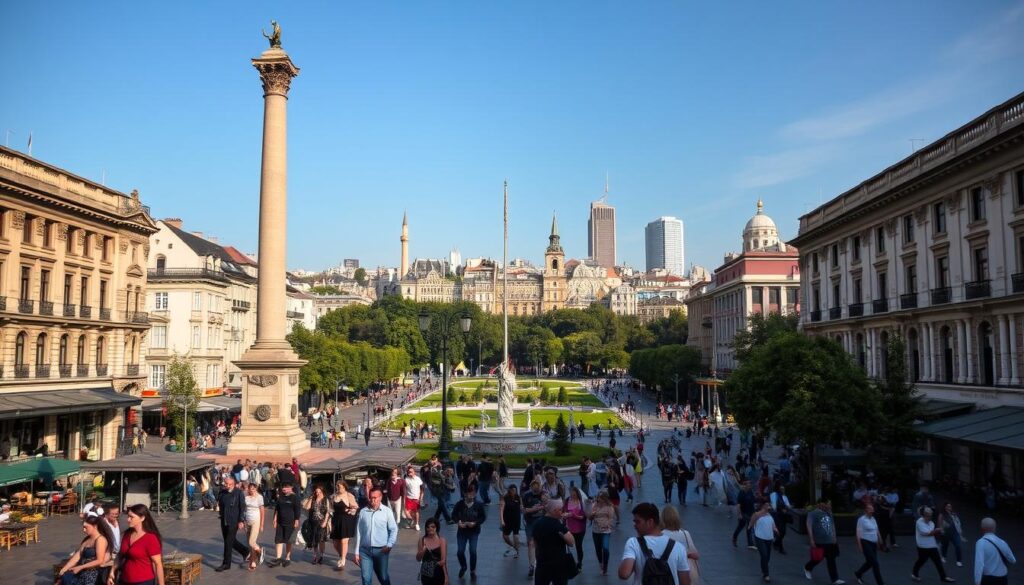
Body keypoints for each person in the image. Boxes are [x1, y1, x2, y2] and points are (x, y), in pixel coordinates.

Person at [618, 502, 691, 585]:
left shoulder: (633, 543)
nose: (634, 525)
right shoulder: (678, 547)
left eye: (637, 522)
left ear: (650, 522)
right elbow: (685, 582)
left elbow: (624, 574)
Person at [109, 504, 164, 585]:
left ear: (142, 518)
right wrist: (112, 570)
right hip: (124, 579)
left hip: (143, 581)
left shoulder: (150, 538)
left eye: (131, 517)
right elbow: (120, 555)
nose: (128, 519)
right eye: (128, 516)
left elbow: (158, 564)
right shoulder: (127, 534)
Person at [354, 487, 398, 585]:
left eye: (375, 497)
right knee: (366, 578)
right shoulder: (363, 512)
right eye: (370, 497)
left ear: (380, 497)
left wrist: (389, 545)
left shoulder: (387, 511)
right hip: (365, 551)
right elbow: (359, 532)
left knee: (383, 577)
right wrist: (356, 551)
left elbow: (393, 529)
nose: (372, 500)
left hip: (381, 551)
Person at [57, 516, 115, 585]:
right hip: (82, 572)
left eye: (86, 527)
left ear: (95, 526)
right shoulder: (87, 540)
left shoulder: (100, 540)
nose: (84, 530)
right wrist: (64, 569)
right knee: (65, 576)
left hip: (92, 575)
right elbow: (78, 555)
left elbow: (100, 560)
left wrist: (80, 567)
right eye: (83, 527)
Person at [534, 498, 576, 585]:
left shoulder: (537, 524)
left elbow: (535, 543)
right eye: (560, 509)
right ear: (554, 510)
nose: (562, 512)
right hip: (558, 564)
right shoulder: (558, 526)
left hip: (542, 562)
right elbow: (571, 542)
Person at [804, 498, 843, 585]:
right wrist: (811, 539)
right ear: (822, 504)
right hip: (819, 540)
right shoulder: (813, 513)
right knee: (817, 558)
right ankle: (807, 568)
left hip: (830, 541)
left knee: (831, 559)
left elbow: (832, 525)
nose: (830, 506)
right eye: (829, 504)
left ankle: (835, 579)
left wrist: (834, 536)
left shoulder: (829, 513)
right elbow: (809, 525)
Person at [216, 475, 251, 572]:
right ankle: (245, 551)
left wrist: (241, 520)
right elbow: (220, 504)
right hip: (224, 520)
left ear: (234, 484)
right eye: (226, 484)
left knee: (228, 542)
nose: (227, 486)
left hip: (234, 521)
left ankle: (226, 564)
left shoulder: (238, 493)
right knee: (230, 541)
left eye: (229, 484)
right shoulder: (222, 492)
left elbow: (242, 507)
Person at [661, 504, 701, 585]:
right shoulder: (685, 533)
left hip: (667, 573)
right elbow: (696, 555)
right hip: (684, 572)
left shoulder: (660, 535)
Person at [452, 486, 487, 578]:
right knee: (460, 551)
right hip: (462, 531)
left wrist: (475, 523)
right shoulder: (460, 504)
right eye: (469, 493)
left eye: (473, 493)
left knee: (473, 551)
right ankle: (463, 566)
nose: (471, 495)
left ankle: (472, 570)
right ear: (465, 494)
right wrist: (458, 522)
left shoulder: (478, 505)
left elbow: (483, 517)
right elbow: (454, 515)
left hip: (474, 531)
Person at [912, 507, 953, 583]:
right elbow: (928, 533)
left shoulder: (931, 523)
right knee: (921, 561)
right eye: (929, 515)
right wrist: (937, 530)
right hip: (922, 546)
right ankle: (914, 574)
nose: (930, 517)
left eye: (931, 515)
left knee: (938, 561)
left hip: (932, 545)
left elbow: (931, 532)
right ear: (924, 515)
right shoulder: (919, 522)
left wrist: (940, 529)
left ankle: (943, 577)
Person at [267, 483, 303, 567]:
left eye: (286, 487)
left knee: (288, 540)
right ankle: (278, 558)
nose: (284, 488)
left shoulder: (295, 497)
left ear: (291, 488)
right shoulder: (281, 497)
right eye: (283, 486)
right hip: (280, 522)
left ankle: (287, 558)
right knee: (278, 540)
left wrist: (296, 520)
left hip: (290, 522)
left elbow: (297, 509)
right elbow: (277, 508)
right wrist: (275, 519)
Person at [974, 518, 1016, 585]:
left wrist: (977, 582)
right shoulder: (1002, 542)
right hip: (1003, 579)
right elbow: (1013, 560)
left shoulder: (981, 543)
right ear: (995, 528)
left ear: (982, 528)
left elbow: (979, 564)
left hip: (989, 579)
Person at [522, 479, 548, 579]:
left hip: (542, 521)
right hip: (530, 522)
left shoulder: (544, 494)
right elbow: (524, 510)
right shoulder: (527, 495)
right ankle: (532, 565)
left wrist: (543, 506)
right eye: (534, 488)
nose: (536, 490)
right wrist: (534, 509)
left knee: (542, 544)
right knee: (531, 543)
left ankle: (542, 563)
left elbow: (549, 506)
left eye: (537, 488)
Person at [331, 480, 359, 569]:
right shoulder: (333, 496)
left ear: (344, 487)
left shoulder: (349, 495)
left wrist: (351, 510)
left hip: (346, 520)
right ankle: (341, 555)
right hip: (336, 519)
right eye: (337, 486)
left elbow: (355, 507)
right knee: (335, 543)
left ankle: (343, 560)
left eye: (339, 486)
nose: (338, 487)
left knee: (344, 541)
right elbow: (331, 509)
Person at [854, 502, 885, 585]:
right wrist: (860, 545)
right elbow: (858, 533)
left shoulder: (873, 519)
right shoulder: (861, 519)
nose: (872, 510)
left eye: (872, 509)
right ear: (865, 510)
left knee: (869, 562)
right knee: (875, 563)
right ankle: (880, 582)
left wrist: (880, 540)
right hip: (865, 542)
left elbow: (876, 530)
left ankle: (858, 573)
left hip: (873, 544)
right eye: (870, 509)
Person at [589, 489, 617, 576]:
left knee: (605, 549)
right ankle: (601, 563)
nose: (598, 499)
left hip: (606, 531)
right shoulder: (594, 505)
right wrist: (592, 515)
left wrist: (607, 524)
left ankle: (605, 566)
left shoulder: (609, 507)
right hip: (595, 530)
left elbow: (611, 518)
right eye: (598, 497)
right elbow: (589, 518)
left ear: (605, 498)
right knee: (598, 549)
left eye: (600, 498)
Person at [750, 501, 780, 582]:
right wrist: (752, 529)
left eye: (769, 505)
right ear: (763, 506)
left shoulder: (770, 515)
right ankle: (766, 574)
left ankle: (764, 569)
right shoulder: (756, 514)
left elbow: (773, 525)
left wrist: (776, 530)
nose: (769, 506)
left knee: (767, 557)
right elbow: (751, 524)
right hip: (759, 538)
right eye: (767, 505)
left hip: (769, 538)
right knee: (764, 555)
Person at [416, 518, 449, 585]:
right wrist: (423, 551)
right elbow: (418, 559)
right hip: (426, 574)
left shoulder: (442, 540)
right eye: (428, 527)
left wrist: (446, 577)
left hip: (438, 573)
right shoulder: (422, 540)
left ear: (437, 528)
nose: (430, 529)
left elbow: (443, 561)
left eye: (433, 527)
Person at [565, 485, 588, 573]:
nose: (572, 495)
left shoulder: (581, 502)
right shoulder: (567, 501)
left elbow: (583, 517)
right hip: (569, 527)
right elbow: (563, 511)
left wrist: (573, 515)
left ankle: (579, 563)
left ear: (577, 494)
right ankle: (569, 562)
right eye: (571, 493)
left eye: (574, 493)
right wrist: (565, 515)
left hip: (580, 528)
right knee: (567, 545)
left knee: (579, 546)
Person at [243, 481, 266, 570]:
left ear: (256, 488)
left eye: (253, 488)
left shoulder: (259, 497)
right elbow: (244, 510)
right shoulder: (246, 497)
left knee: (251, 542)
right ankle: (253, 562)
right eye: (250, 488)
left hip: (256, 520)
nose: (252, 490)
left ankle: (261, 551)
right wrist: (244, 522)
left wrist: (262, 524)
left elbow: (262, 511)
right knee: (250, 545)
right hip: (247, 521)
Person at [938, 502, 965, 567]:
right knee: (945, 546)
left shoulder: (954, 514)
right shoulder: (942, 515)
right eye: (947, 506)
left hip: (955, 533)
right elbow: (940, 524)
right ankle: (943, 557)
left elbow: (958, 524)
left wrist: (960, 534)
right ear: (944, 507)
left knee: (958, 546)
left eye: (950, 506)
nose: (949, 508)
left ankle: (959, 561)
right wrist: (942, 530)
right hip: (946, 533)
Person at [500, 483, 522, 558]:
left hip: (516, 519)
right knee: (505, 536)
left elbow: (521, 507)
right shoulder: (505, 498)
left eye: (515, 490)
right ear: (509, 491)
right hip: (507, 520)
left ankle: (517, 552)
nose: (514, 492)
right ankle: (513, 547)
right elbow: (501, 509)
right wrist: (502, 520)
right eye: (512, 490)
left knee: (516, 536)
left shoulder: (518, 497)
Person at [770, 484, 792, 554]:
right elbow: (774, 507)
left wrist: (786, 508)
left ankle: (776, 543)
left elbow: (788, 506)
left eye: (784, 489)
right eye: (781, 489)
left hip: (783, 517)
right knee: (780, 531)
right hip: (776, 516)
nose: (783, 490)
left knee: (783, 532)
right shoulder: (774, 495)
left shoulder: (784, 497)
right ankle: (781, 548)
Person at [733, 480, 756, 549]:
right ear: (745, 485)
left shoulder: (750, 492)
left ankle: (750, 543)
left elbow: (753, 501)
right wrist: (739, 514)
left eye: (750, 484)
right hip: (744, 512)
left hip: (750, 512)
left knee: (749, 527)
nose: (750, 485)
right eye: (748, 484)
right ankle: (734, 537)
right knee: (741, 527)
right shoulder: (741, 493)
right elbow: (738, 504)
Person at [403, 465, 425, 532]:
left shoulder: (418, 479)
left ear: (414, 472)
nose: (410, 473)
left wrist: (421, 497)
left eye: (411, 472)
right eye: (409, 472)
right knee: (407, 512)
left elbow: (422, 488)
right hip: (409, 498)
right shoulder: (406, 479)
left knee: (416, 512)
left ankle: (417, 524)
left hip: (416, 498)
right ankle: (412, 520)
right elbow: (404, 490)